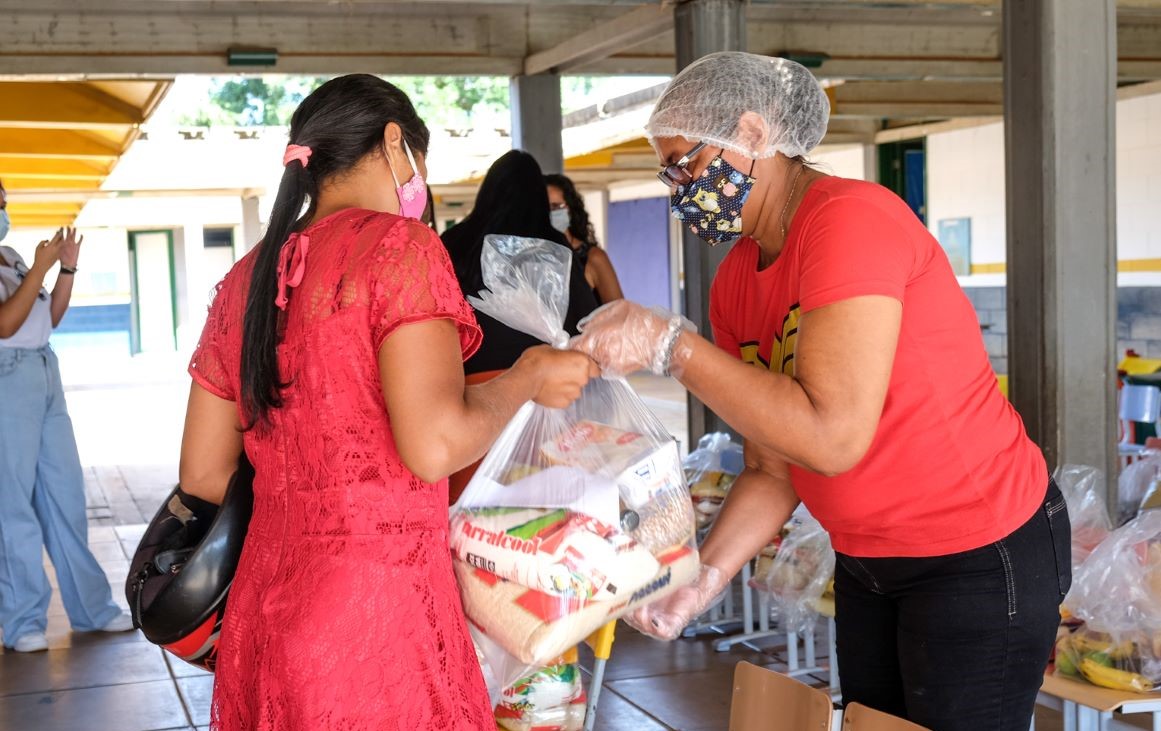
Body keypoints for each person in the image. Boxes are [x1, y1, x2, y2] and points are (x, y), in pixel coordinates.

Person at [572, 52, 1068, 731]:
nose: (679, 187)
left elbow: (831, 438)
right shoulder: (736, 279)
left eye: (684, 164)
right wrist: (703, 579)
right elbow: (772, 465)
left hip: (974, 553)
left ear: (750, 133)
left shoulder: (849, 221)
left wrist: (672, 348)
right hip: (868, 560)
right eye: (669, 173)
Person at [177, 75, 596, 728]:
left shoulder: (247, 277)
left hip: (264, 606)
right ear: (395, 142)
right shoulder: (398, 249)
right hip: (376, 611)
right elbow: (433, 446)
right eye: (419, 163)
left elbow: (201, 473)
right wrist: (527, 377)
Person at [0, 182, 133, 653]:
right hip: (6, 378)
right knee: (12, 507)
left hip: (42, 367)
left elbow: (47, 316)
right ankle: (23, 622)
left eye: (3, 198)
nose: (3, 206)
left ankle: (92, 609)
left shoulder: (12, 256)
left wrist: (67, 267)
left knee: (65, 496)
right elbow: (4, 324)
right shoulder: (24, 261)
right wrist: (40, 266)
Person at [440, 151, 600, 502]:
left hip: (471, 401)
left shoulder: (450, 245)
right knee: (538, 512)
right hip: (544, 398)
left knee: (472, 514)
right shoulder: (553, 248)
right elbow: (585, 325)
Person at [544, 173, 623, 304]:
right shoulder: (535, 259)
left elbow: (620, 315)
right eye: (544, 208)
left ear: (570, 209)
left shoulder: (593, 258)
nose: (550, 213)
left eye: (556, 206)